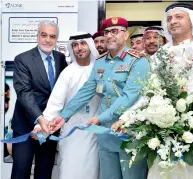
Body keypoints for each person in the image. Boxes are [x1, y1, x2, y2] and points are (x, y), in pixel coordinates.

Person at [40, 17, 150, 179]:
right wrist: (63, 117)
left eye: (115, 31)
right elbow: (86, 91)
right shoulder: (100, 62)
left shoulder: (138, 61)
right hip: (105, 134)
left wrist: (99, 118)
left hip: (128, 132)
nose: (110, 36)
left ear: (125, 35)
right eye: (107, 32)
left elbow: (129, 97)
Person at [33, 32, 100, 179]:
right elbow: (55, 103)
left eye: (83, 43)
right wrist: (41, 126)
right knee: (70, 171)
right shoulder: (67, 73)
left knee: (92, 171)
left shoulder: (100, 70)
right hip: (70, 132)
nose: (79, 48)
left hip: (94, 132)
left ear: (89, 45)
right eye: (75, 45)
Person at [11, 20, 67, 179]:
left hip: (50, 127)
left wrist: (49, 122)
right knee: (20, 171)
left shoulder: (60, 58)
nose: (48, 40)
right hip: (26, 126)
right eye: (44, 35)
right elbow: (24, 92)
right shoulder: (23, 59)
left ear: (57, 39)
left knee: (44, 172)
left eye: (52, 36)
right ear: (37, 36)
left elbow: (61, 91)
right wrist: (40, 119)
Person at [146, 3, 193, 179]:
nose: (173, 21)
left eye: (179, 17)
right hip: (160, 130)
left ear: (192, 22)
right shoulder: (158, 56)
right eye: (169, 19)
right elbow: (147, 92)